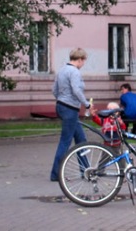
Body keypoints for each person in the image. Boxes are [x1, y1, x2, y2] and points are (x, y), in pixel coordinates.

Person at [50, 48, 92, 181]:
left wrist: (61, 99)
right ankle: (56, 174)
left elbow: (54, 90)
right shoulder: (74, 72)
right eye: (83, 61)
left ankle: (86, 170)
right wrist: (86, 104)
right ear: (79, 59)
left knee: (81, 140)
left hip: (61, 106)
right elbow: (76, 90)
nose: (83, 64)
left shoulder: (62, 70)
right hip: (70, 109)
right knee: (65, 141)